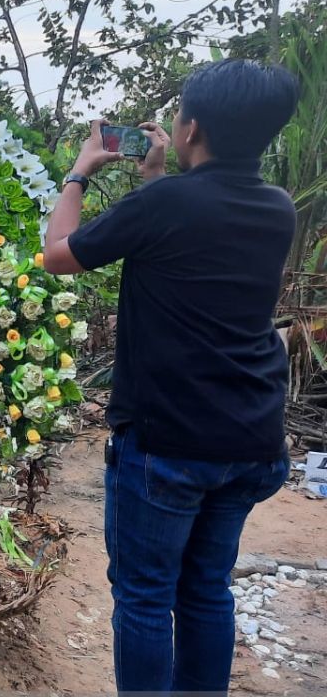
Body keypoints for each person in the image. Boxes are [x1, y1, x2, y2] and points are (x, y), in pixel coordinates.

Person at [43, 59, 300, 695]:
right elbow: (192, 236)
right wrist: (155, 176)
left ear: (190, 128)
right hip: (251, 437)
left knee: (146, 598)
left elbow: (57, 254)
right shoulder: (277, 207)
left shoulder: (165, 202)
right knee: (207, 589)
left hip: (170, 439)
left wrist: (80, 169)